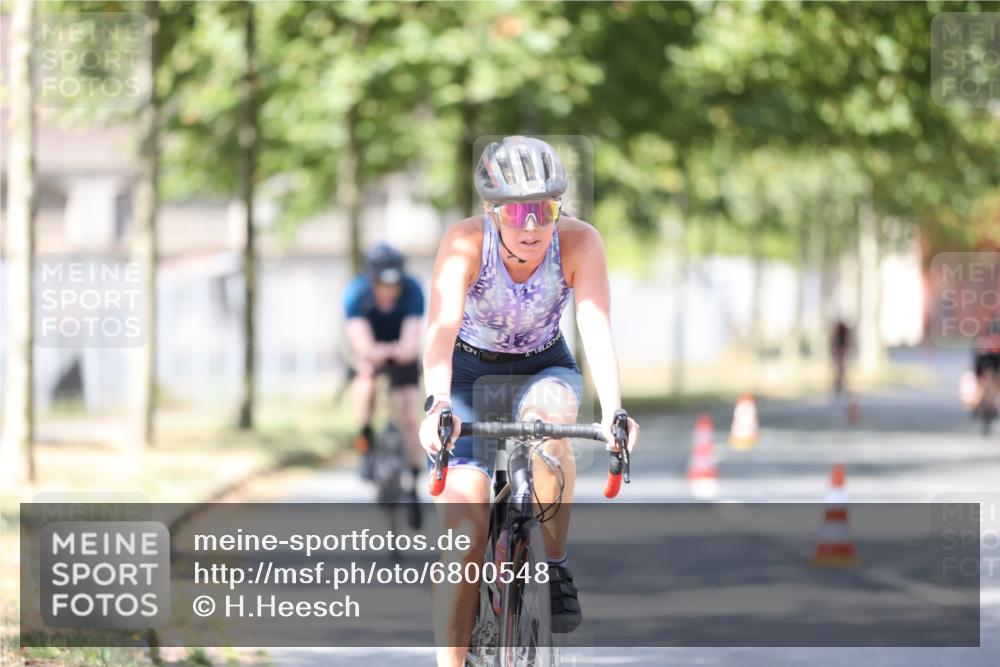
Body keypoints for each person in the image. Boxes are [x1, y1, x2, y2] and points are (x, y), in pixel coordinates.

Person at [418, 136, 639, 667]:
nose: (533, 225)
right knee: (463, 536)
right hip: (468, 374)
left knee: (550, 431)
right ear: (492, 211)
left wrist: (613, 410)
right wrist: (436, 405)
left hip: (544, 365)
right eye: (518, 211)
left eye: (545, 209)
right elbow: (441, 331)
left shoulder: (580, 242)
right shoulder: (464, 243)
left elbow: (595, 327)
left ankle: (554, 566)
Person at [343, 243, 425, 500]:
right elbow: (359, 337)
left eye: (394, 283)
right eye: (383, 283)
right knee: (365, 380)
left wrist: (403, 351)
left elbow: (412, 339)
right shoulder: (356, 293)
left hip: (402, 350)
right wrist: (371, 352)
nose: (389, 290)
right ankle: (365, 442)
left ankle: (413, 472)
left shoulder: (413, 291)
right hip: (371, 349)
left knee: (411, 412)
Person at [831, 318, 852, 396]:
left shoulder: (842, 330)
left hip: (841, 351)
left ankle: (840, 385)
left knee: (842, 370)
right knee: (840, 370)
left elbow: (847, 341)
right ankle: (838, 385)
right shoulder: (838, 331)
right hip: (840, 351)